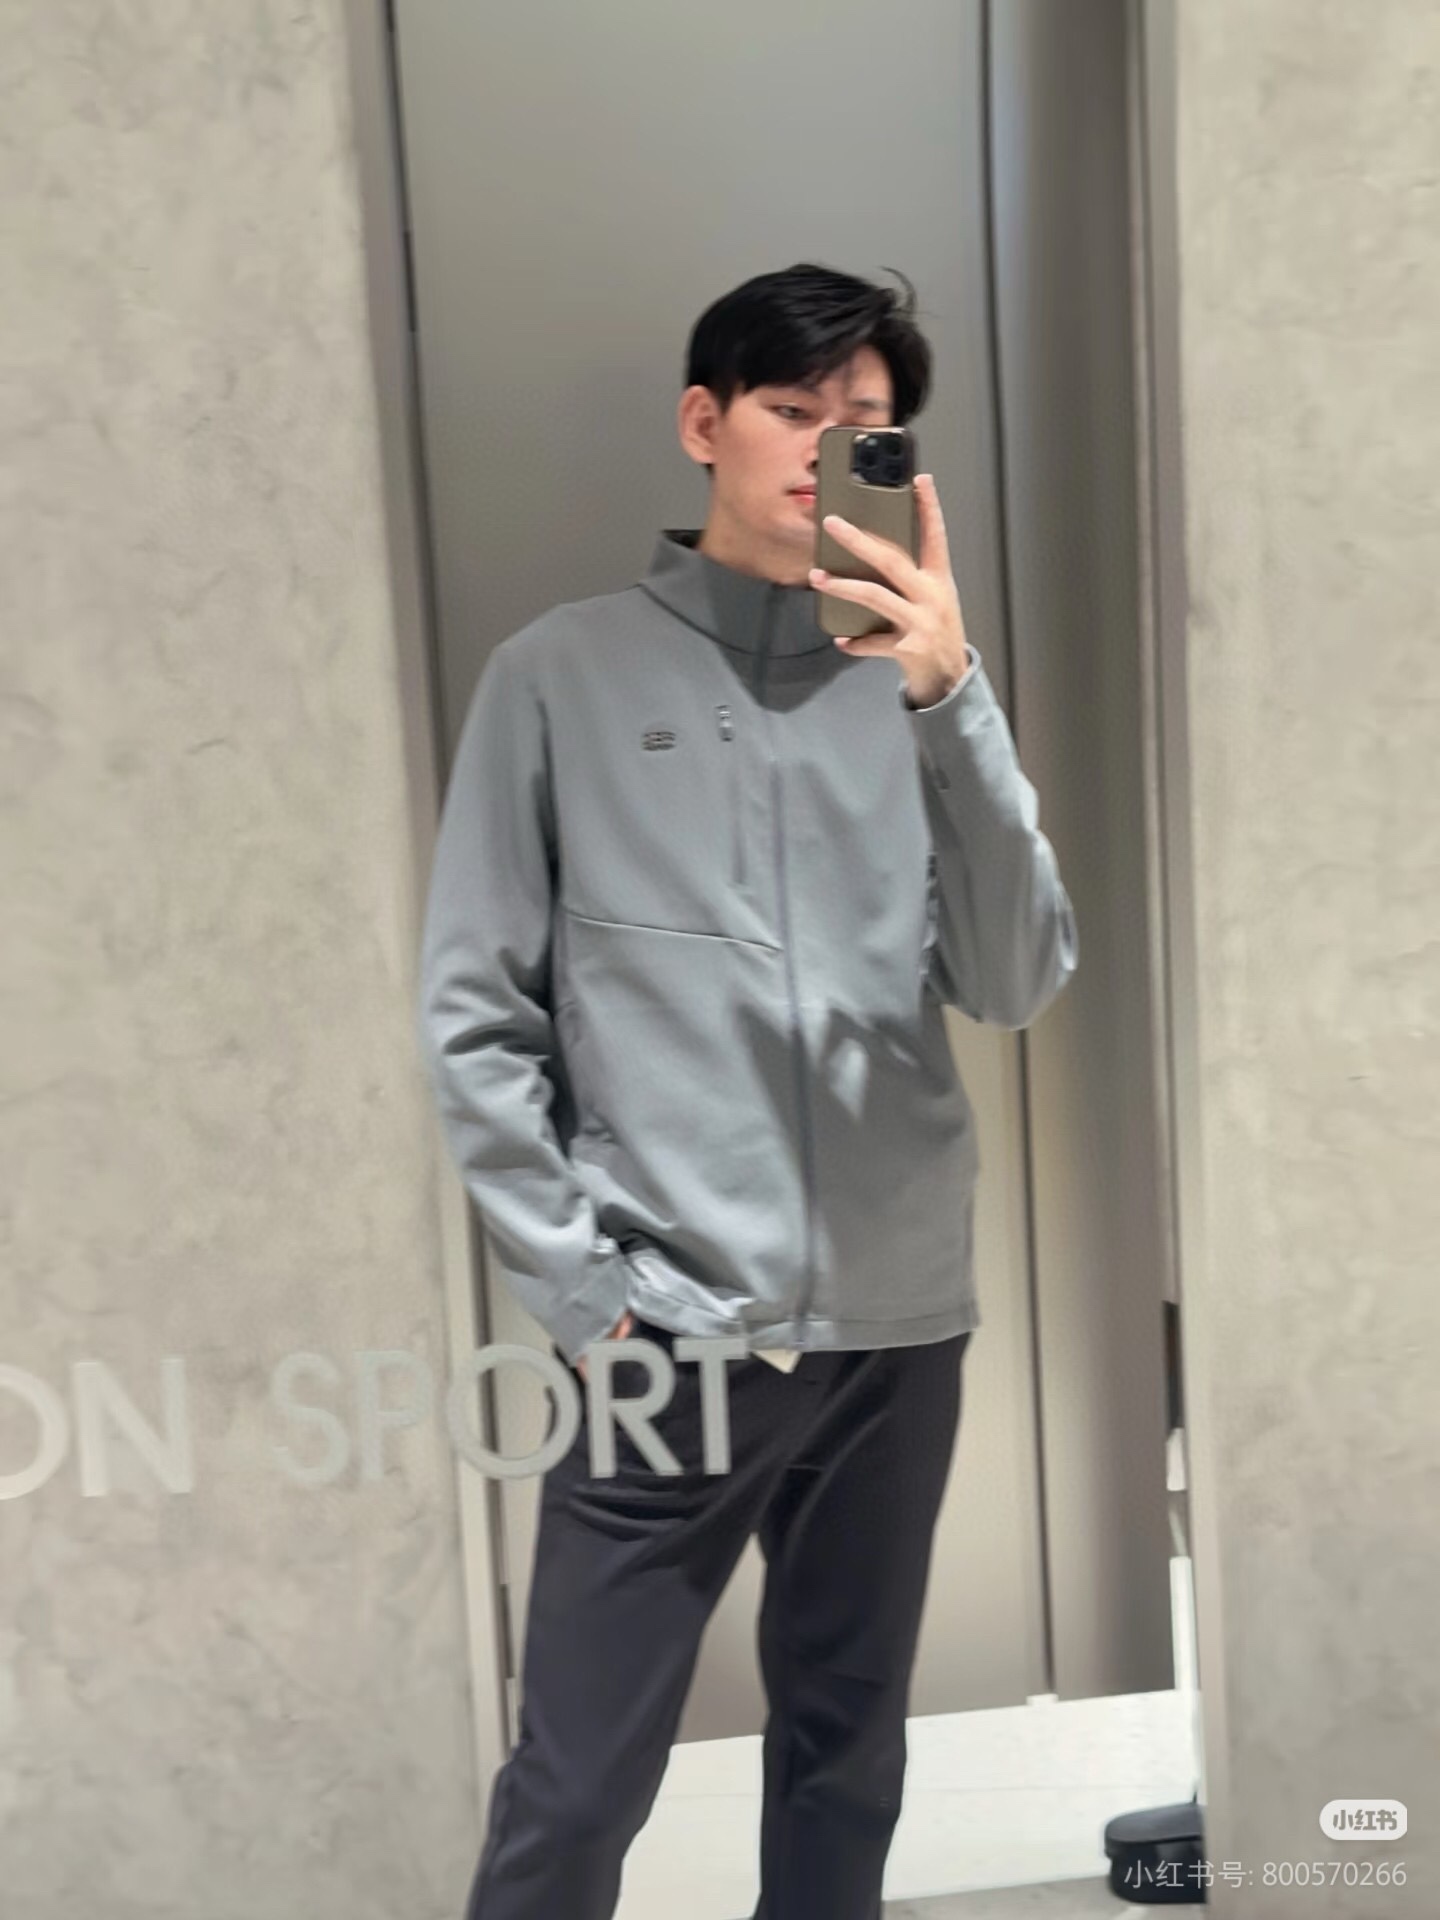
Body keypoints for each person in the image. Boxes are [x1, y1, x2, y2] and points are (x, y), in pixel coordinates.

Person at [418, 262, 1077, 1920]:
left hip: (895, 1328)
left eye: (868, 423)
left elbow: (1014, 978)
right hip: (667, 1329)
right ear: (704, 423)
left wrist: (954, 701)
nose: (825, 446)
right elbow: (476, 1016)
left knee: (847, 1758)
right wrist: (585, 1298)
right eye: (794, 409)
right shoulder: (558, 677)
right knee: (576, 1790)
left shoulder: (916, 690)